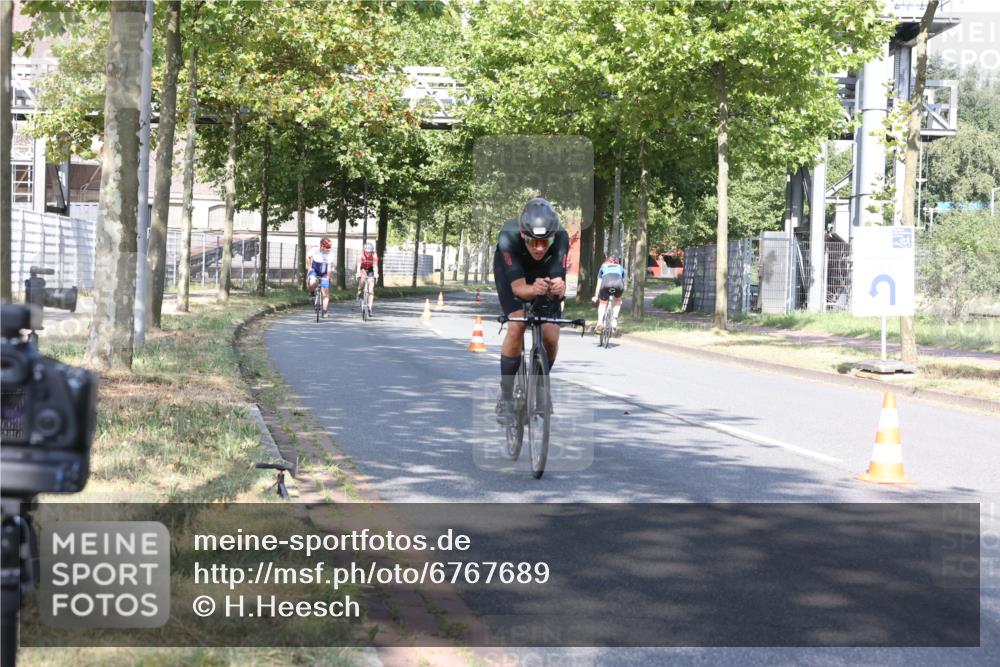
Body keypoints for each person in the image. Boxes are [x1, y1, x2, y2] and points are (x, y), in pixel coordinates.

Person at [493, 197, 569, 426]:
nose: (538, 248)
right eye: (533, 242)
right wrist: (531, 288)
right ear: (524, 235)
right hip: (512, 270)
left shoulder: (562, 237)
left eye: (544, 243)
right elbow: (518, 289)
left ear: (553, 238)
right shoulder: (508, 235)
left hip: (544, 271)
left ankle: (541, 385)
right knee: (517, 324)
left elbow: (558, 285)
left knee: (551, 334)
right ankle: (505, 397)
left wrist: (559, 288)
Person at [592, 254, 626, 334]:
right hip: (618, 284)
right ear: (617, 262)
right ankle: (614, 321)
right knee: (617, 301)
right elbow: (622, 282)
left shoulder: (603, 266)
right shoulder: (620, 267)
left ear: (607, 260)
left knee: (602, 304)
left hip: (606, 284)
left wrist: (596, 296)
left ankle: (600, 323)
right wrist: (620, 298)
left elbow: (599, 284)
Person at [306, 237, 334, 317]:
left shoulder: (330, 253)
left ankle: (324, 311)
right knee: (312, 283)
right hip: (315, 271)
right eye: (327, 247)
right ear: (321, 246)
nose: (328, 249)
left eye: (329, 247)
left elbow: (329, 267)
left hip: (324, 273)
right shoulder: (315, 250)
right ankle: (311, 291)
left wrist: (328, 277)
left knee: (325, 293)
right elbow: (307, 256)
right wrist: (309, 267)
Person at [355, 241, 379, 314]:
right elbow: (359, 265)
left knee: (371, 289)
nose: (368, 254)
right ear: (364, 251)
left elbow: (375, 266)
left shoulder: (374, 255)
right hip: (363, 269)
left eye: (370, 252)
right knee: (362, 278)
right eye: (367, 252)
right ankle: (359, 290)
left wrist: (376, 274)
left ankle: (370, 308)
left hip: (370, 270)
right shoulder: (361, 255)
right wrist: (358, 273)